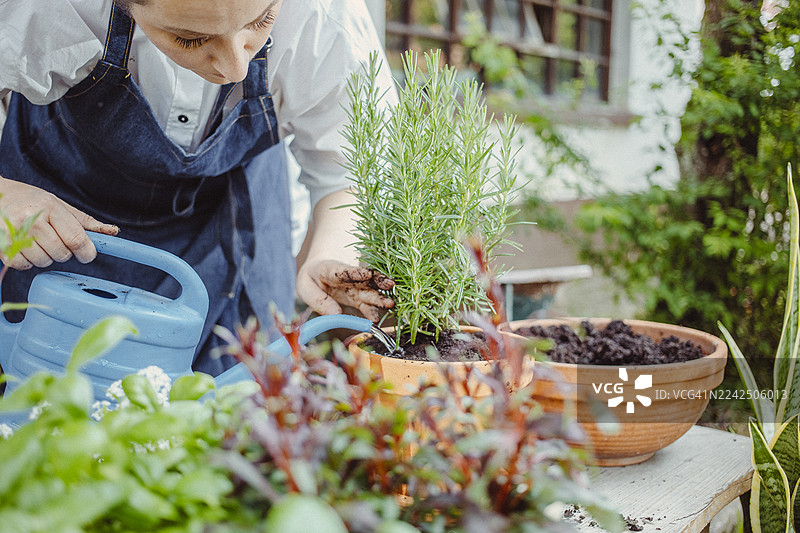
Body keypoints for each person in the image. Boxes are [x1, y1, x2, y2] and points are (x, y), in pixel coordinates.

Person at [0, 0, 396, 375]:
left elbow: (349, 174)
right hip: (60, 224)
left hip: (233, 217)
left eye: (261, 20)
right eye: (190, 38)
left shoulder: (322, 16)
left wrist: (329, 254)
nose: (235, 67)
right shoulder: (44, 8)